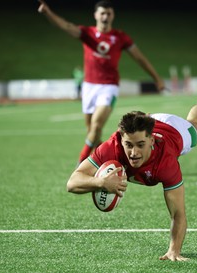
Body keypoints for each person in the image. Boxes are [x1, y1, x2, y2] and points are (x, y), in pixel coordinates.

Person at [67, 85, 197, 261]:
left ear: (151, 140)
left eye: (140, 145)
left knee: (195, 129)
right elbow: (72, 183)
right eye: (128, 145)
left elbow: (178, 213)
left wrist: (174, 250)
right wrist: (101, 183)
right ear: (121, 139)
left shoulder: (166, 162)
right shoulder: (111, 147)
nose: (134, 153)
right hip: (147, 123)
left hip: (173, 129)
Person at [38, 0, 165, 165]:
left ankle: (81, 163)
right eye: (102, 13)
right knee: (91, 130)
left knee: (96, 126)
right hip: (89, 86)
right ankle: (107, 157)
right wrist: (48, 12)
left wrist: (157, 78)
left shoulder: (120, 37)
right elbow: (66, 26)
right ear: (96, 15)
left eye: (108, 13)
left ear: (113, 15)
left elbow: (140, 58)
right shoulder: (87, 33)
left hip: (109, 87)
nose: (105, 16)